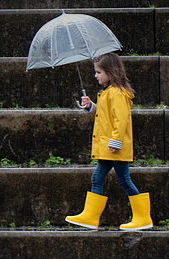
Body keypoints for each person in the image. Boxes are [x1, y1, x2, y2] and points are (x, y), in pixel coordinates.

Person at [63, 52, 152, 230]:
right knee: (104, 178)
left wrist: (115, 141)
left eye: (98, 72)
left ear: (111, 73)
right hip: (109, 146)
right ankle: (91, 217)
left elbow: (122, 119)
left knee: (120, 180)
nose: (95, 75)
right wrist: (90, 106)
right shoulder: (108, 93)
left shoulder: (117, 94)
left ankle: (142, 217)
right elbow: (104, 116)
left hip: (113, 147)